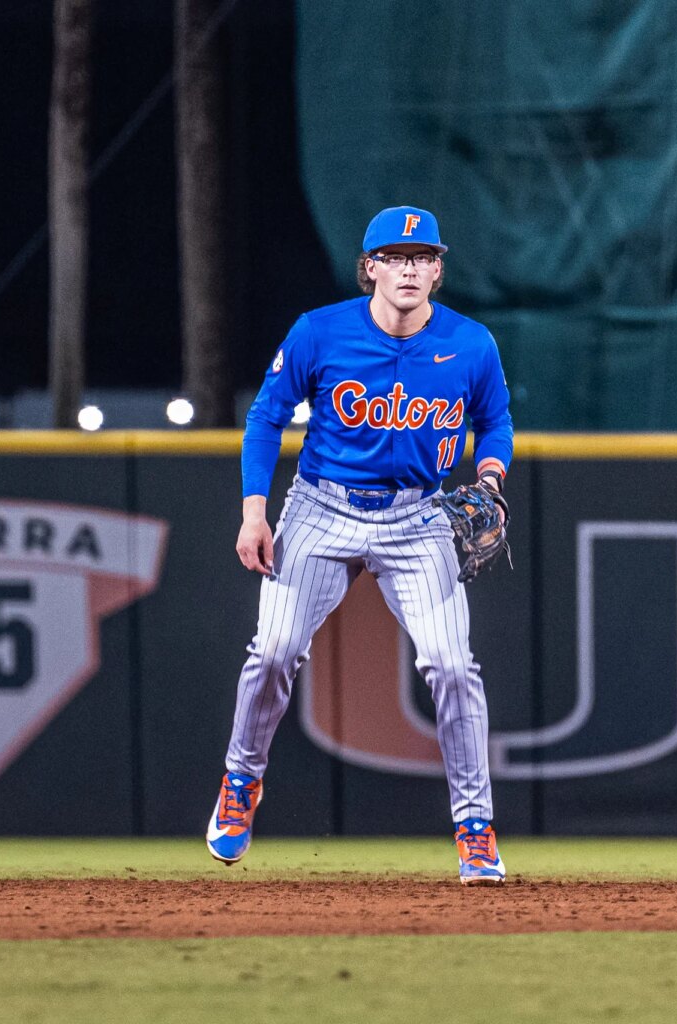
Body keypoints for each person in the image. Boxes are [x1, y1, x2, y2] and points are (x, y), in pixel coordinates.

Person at [206, 205, 514, 885]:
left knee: (452, 665)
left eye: (423, 257)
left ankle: (475, 827)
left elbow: (495, 422)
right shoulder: (321, 332)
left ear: (437, 271)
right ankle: (241, 780)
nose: (409, 269)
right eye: (395, 257)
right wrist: (254, 512)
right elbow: (265, 416)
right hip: (321, 507)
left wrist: (490, 479)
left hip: (418, 515)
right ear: (370, 267)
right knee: (276, 650)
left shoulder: (471, 344)